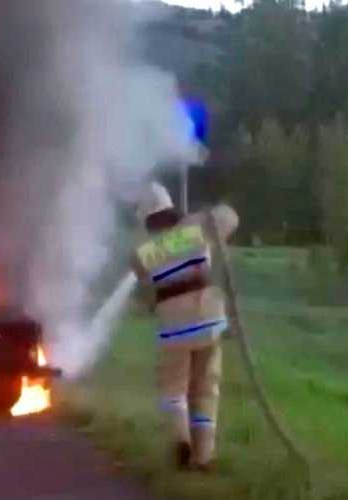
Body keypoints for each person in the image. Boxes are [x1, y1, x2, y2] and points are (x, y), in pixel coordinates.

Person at [131, 182, 239, 471]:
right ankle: (203, 457)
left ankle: (181, 439)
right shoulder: (197, 227)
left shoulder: (145, 251)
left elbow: (142, 286)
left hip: (175, 327)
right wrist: (208, 212)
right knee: (206, 389)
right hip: (209, 322)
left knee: (173, 390)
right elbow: (231, 218)